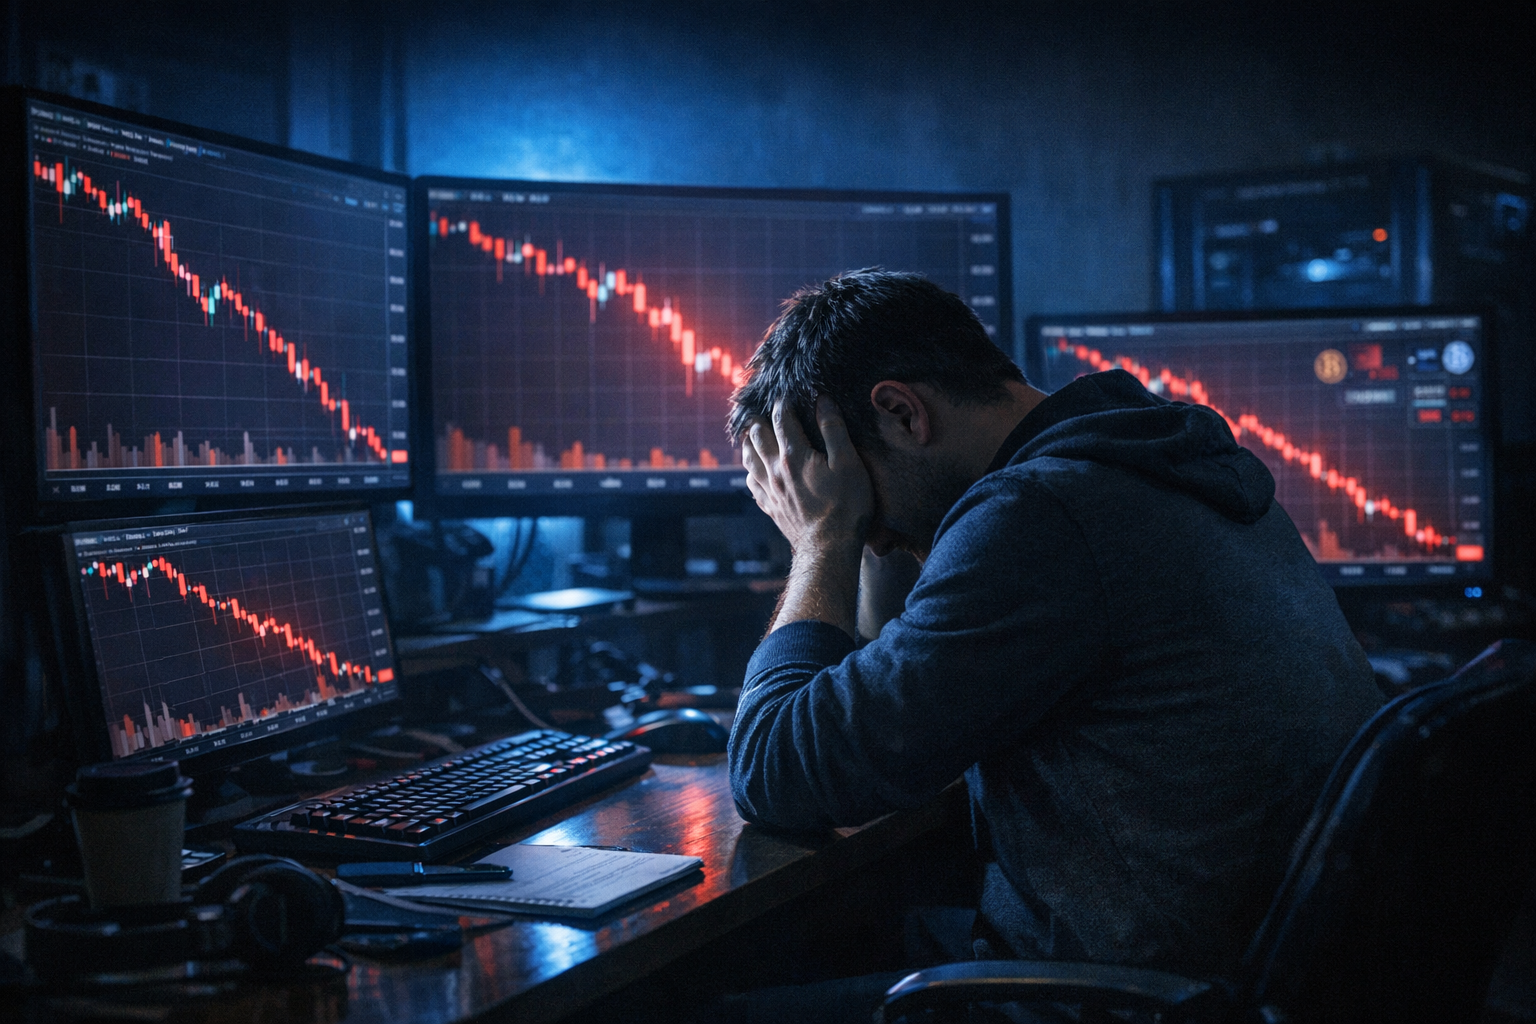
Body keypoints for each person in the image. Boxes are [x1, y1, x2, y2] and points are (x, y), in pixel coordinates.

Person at [722, 269, 1382, 1016]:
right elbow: (880, 689)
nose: (869, 527)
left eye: (851, 484)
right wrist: (871, 522)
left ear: (903, 413)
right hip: (1225, 960)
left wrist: (821, 538)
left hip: (1122, 993)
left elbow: (776, 772)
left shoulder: (1040, 515)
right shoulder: (1156, 461)